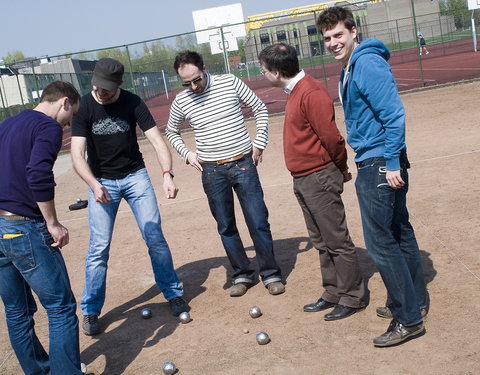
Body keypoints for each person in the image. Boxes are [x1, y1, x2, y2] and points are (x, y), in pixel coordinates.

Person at [317, 7, 428, 347]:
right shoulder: (352, 65)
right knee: (399, 231)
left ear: (353, 30)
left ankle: (408, 319)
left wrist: (392, 162)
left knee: (382, 244)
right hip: (379, 158)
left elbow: (394, 114)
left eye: (338, 35)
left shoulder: (365, 63)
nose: (333, 43)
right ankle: (413, 302)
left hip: (380, 161)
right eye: (327, 39)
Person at [71, 58, 189, 336]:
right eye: (97, 87)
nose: (101, 92)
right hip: (101, 181)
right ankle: (90, 310)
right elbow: (77, 154)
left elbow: (158, 141)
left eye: (107, 89)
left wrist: (167, 173)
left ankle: (173, 293)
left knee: (154, 237)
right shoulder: (85, 106)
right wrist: (93, 184)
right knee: (98, 248)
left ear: (119, 85)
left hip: (135, 177)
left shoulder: (133, 102)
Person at [258, 44, 367, 320]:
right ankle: (333, 292)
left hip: (319, 176)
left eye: (264, 70)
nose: (262, 74)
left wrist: (340, 168)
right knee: (320, 240)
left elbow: (331, 138)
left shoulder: (311, 92)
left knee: (337, 239)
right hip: (304, 178)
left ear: (277, 71)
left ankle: (353, 296)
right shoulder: (295, 91)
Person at [166, 51, 284, 297]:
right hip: (211, 171)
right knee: (226, 225)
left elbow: (259, 108)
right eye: (186, 83)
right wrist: (187, 155)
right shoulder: (182, 100)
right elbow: (171, 131)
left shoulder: (229, 82)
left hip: (243, 163)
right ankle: (242, 274)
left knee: (258, 220)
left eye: (196, 79)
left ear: (204, 68)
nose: (193, 86)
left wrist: (259, 142)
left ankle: (270, 273)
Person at [0, 81, 83, 374]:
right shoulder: (48, 127)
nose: (68, 125)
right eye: (70, 117)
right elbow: (38, 174)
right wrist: (52, 222)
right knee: (60, 308)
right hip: (24, 227)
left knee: (17, 311)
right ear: (64, 102)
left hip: (0, 229)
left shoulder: (8, 123)